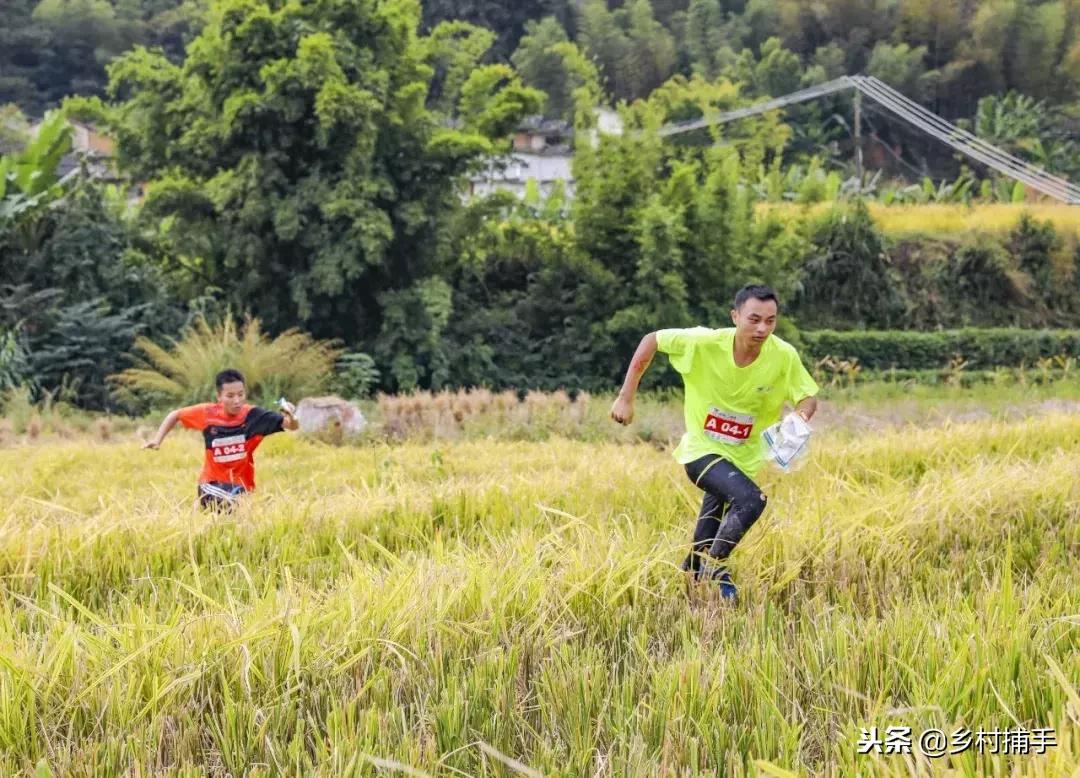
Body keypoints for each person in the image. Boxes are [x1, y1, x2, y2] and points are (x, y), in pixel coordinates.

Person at [609, 284, 820, 599]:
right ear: (735, 316)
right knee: (751, 501)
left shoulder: (783, 355)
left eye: (771, 320)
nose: (763, 328)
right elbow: (652, 340)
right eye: (754, 319)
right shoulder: (704, 343)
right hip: (701, 451)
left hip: (743, 460)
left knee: (710, 523)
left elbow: (807, 396)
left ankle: (693, 580)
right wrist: (626, 397)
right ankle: (714, 567)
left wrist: (799, 419)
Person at [143, 368, 298, 510]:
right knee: (236, 508)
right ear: (219, 397)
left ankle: (200, 509)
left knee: (243, 515)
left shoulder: (254, 416)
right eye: (230, 396)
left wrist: (291, 415)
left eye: (240, 394)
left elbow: (292, 426)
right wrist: (157, 440)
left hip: (241, 486)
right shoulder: (207, 413)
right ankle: (201, 505)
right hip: (211, 483)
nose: (237, 400)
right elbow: (175, 415)